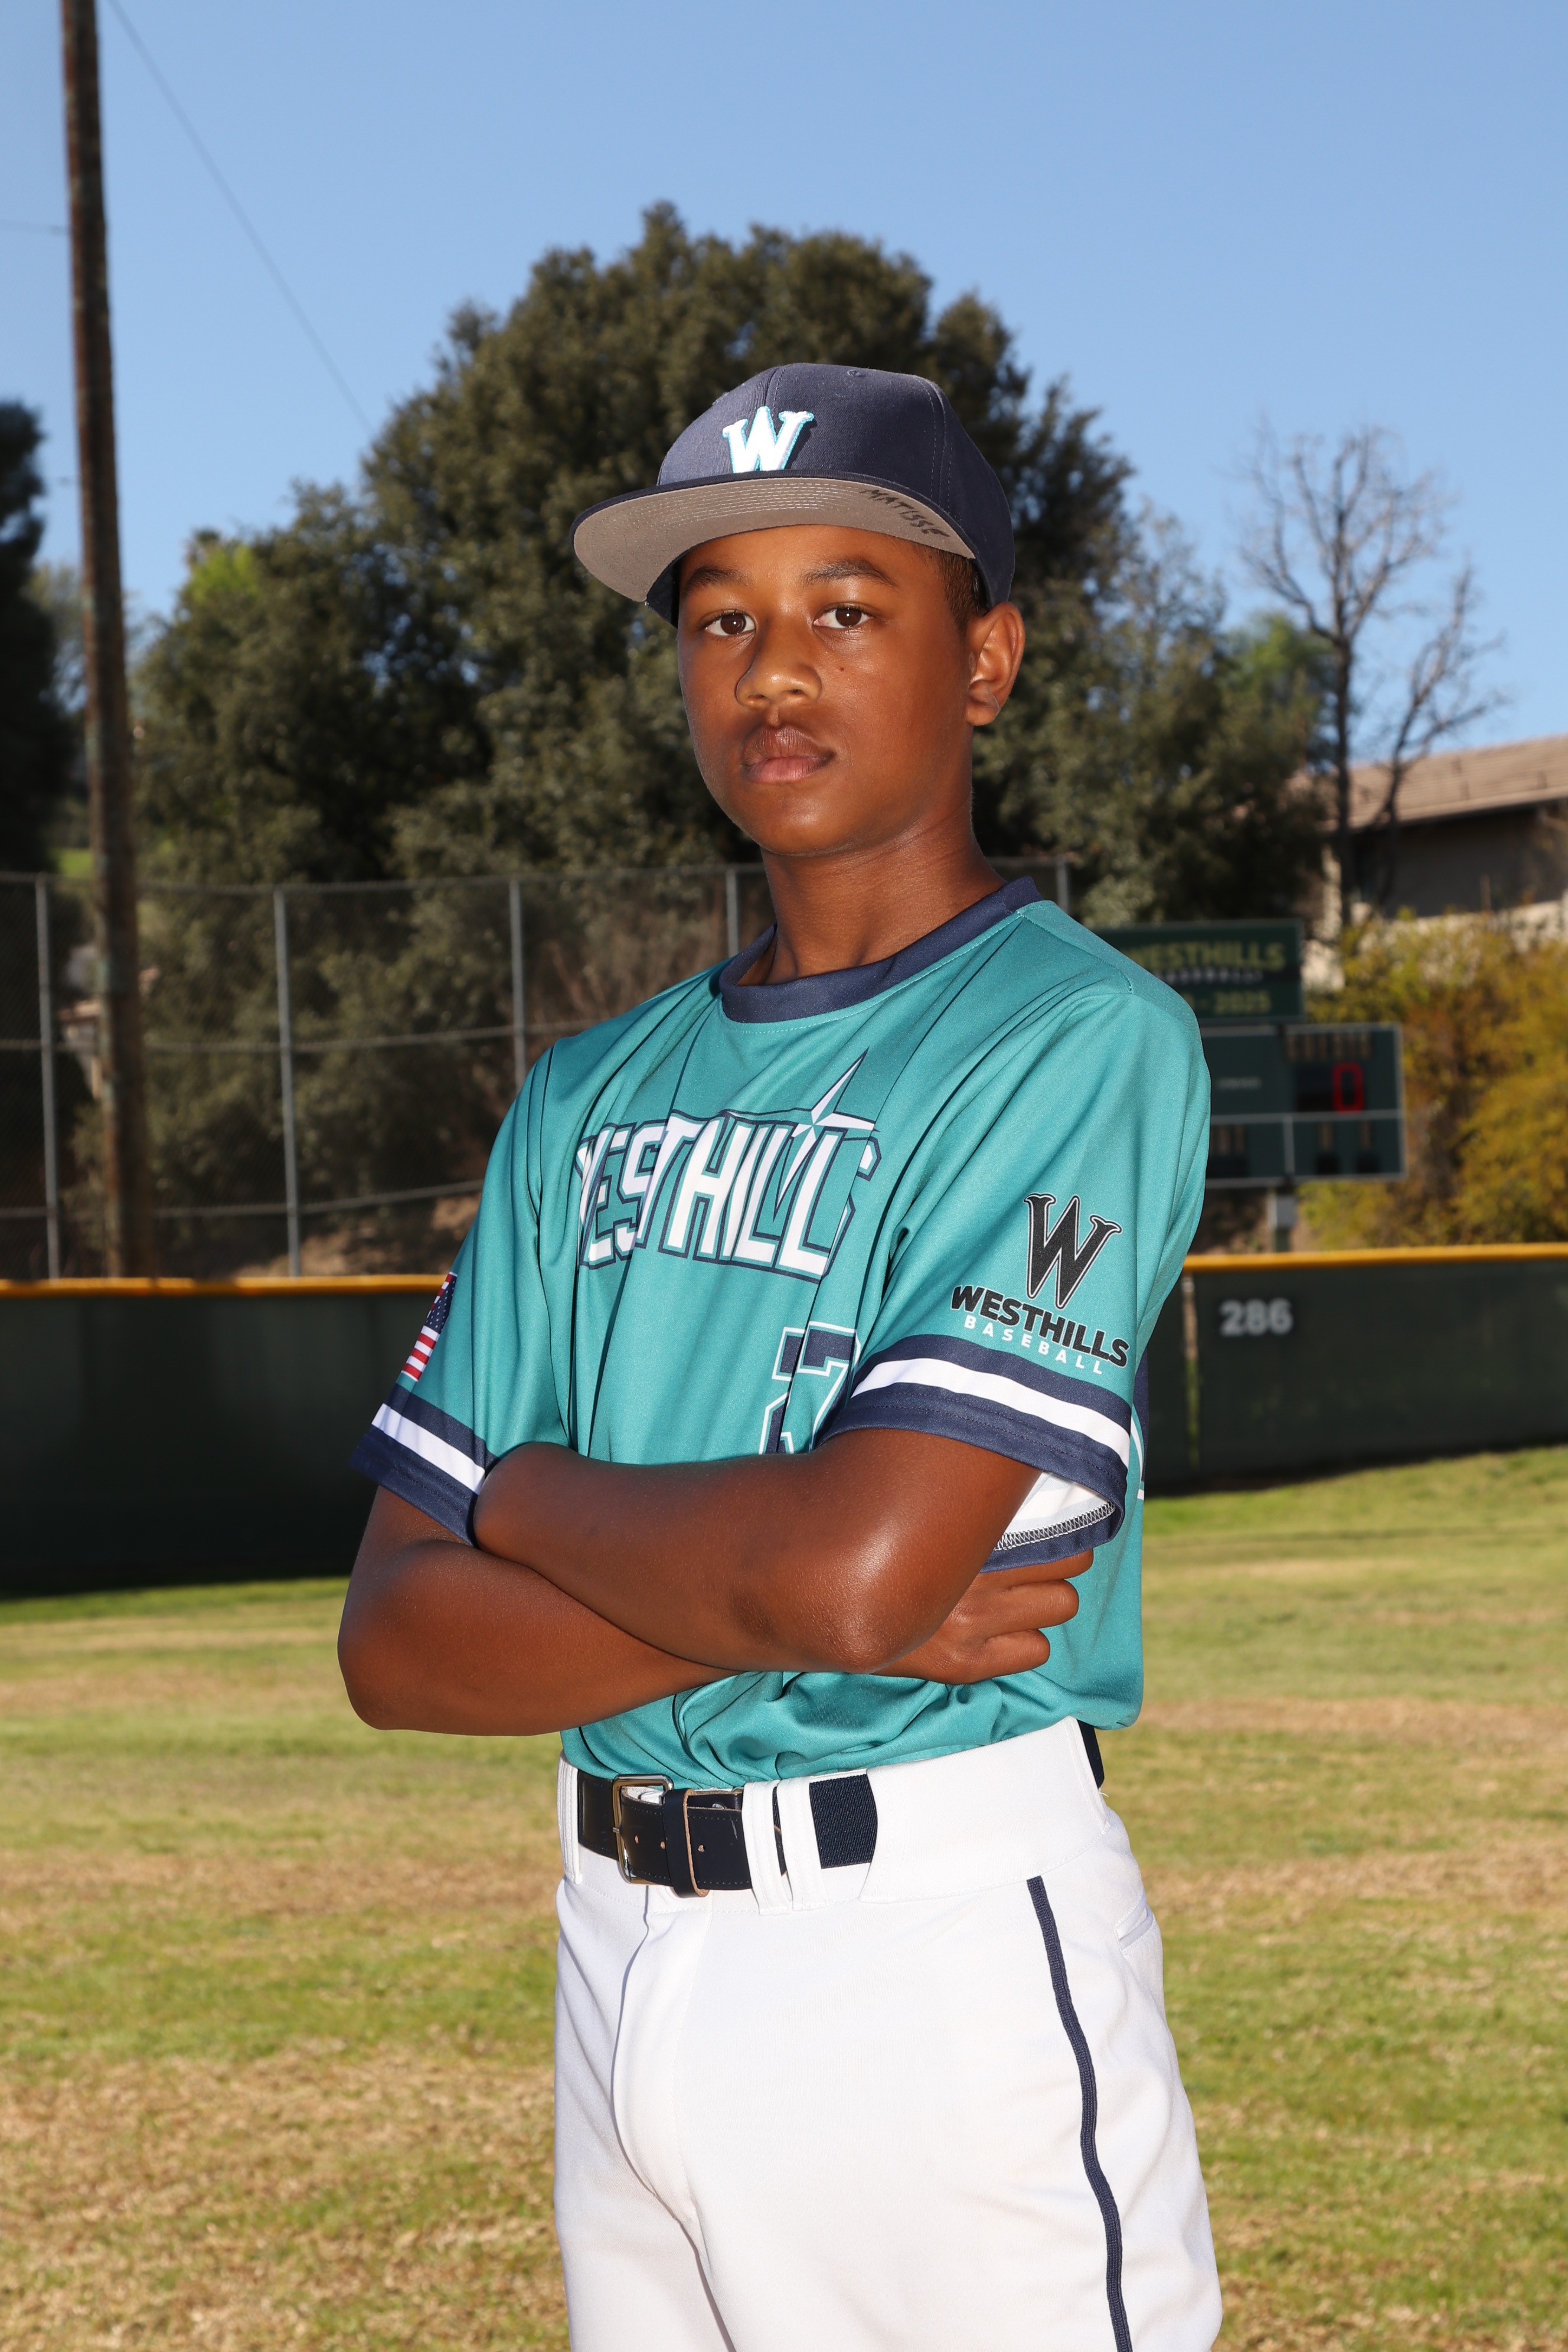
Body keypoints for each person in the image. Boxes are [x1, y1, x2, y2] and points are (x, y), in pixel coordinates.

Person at [339, 363, 1220, 2352]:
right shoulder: (587, 1098)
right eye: (721, 618)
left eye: (846, 606)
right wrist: (804, 1601)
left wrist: (520, 1498)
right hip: (610, 1946)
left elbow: (856, 1564)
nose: (774, 669)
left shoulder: (1077, 1040)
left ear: (984, 659)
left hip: (925, 1950)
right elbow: (394, 1642)